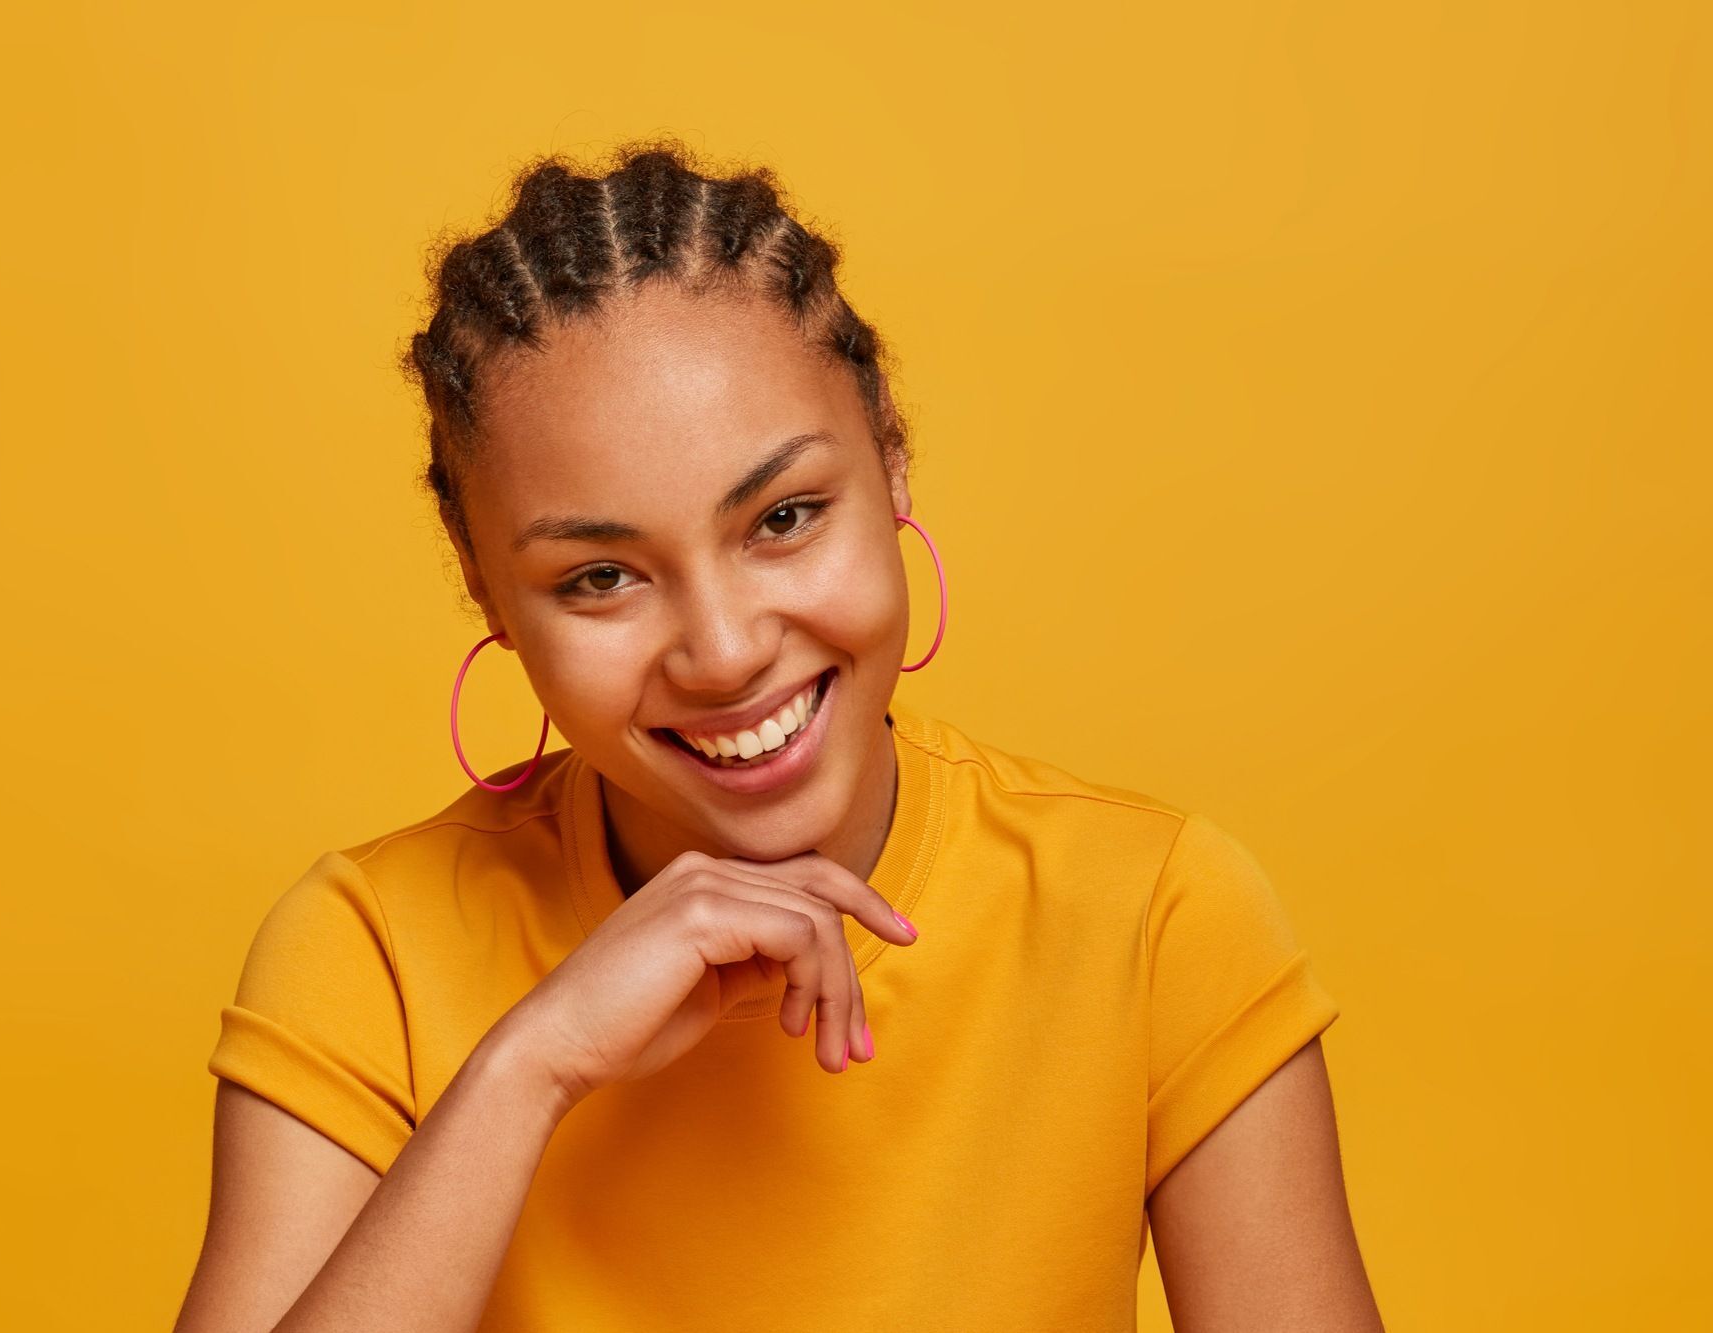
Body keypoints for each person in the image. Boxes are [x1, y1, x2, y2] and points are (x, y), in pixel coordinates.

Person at [173, 141, 1384, 1332]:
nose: (723, 650)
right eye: (599, 576)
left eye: (784, 517)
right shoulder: (368, 951)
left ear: (891, 453)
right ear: (484, 587)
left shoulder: (1150, 916)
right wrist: (526, 1068)